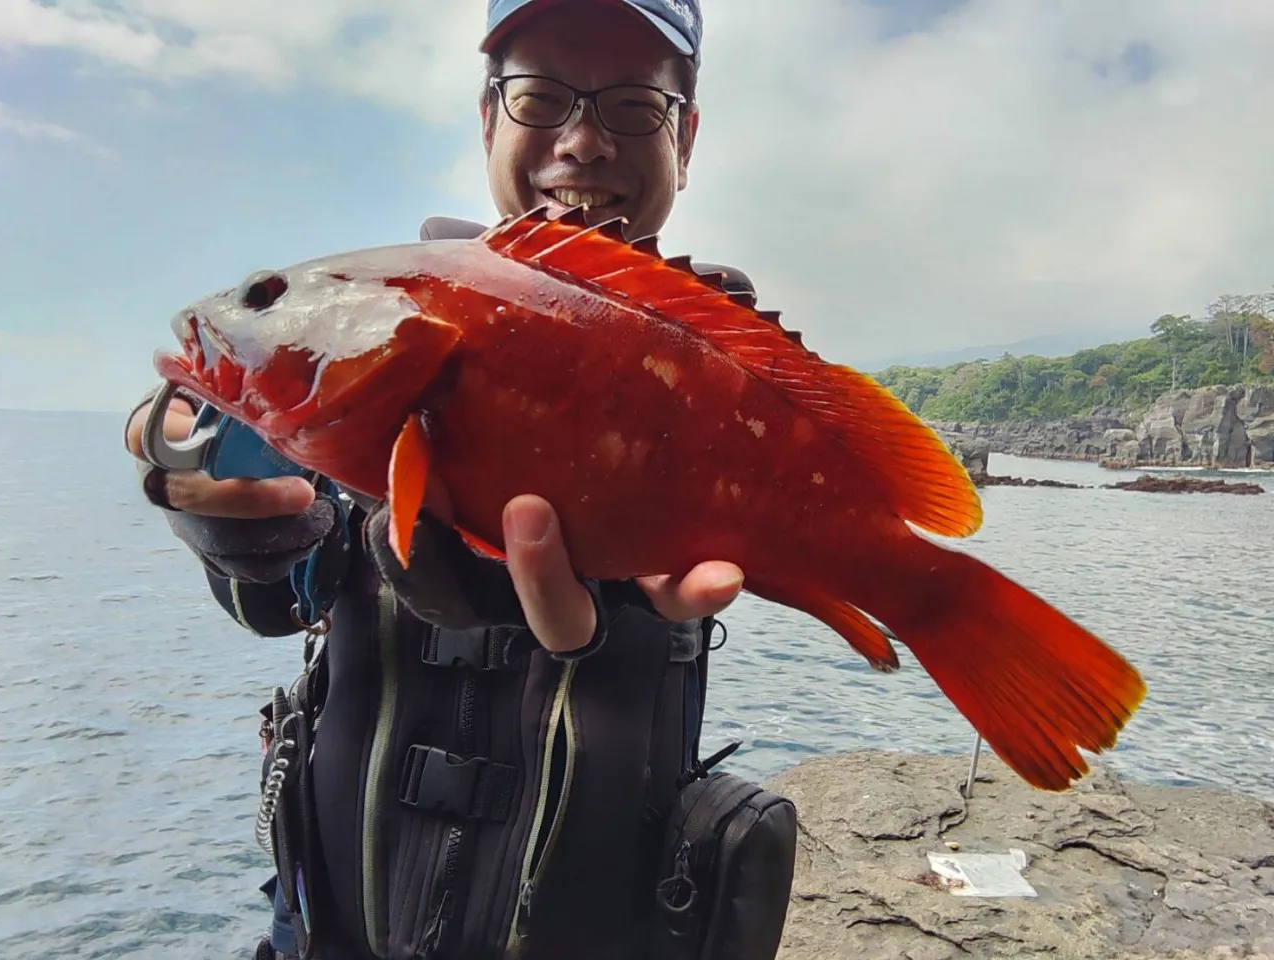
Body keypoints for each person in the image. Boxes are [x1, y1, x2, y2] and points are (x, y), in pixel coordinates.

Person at [124, 1, 796, 957]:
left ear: (684, 138)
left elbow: (687, 575)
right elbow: (270, 598)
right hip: (336, 929)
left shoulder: (720, 368)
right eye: (539, 95)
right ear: (490, 120)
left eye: (637, 106)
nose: (581, 140)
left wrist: (515, 559)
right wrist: (233, 526)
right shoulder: (373, 324)